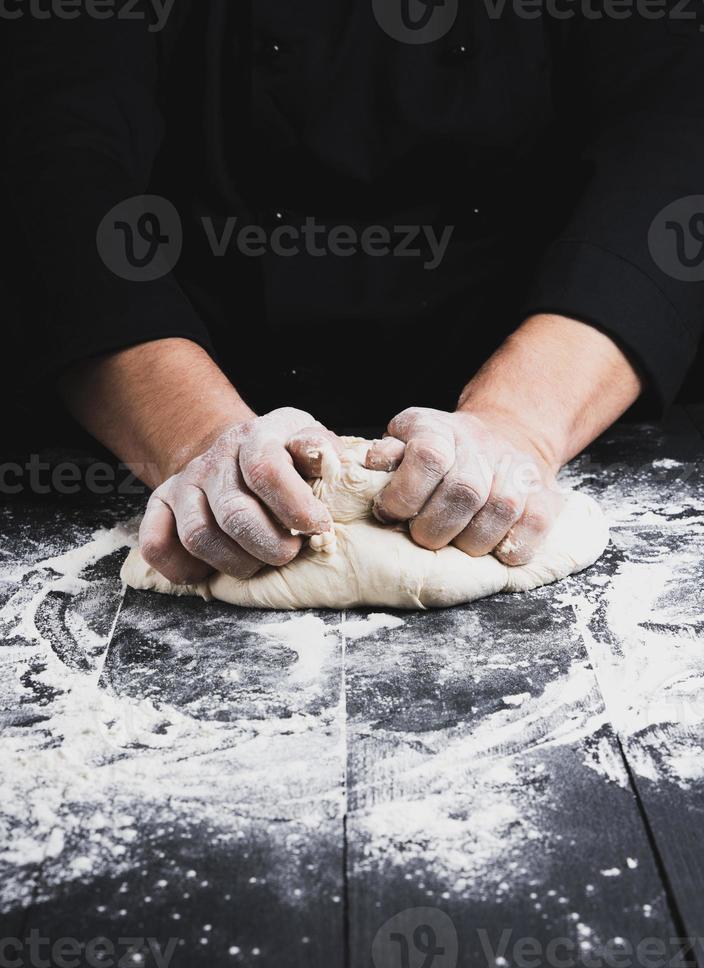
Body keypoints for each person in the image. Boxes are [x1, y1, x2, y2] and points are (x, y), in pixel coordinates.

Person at [2, 0, 702, 584]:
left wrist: (519, 425)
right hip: (173, 407)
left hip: (539, 393)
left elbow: (675, 141)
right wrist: (195, 439)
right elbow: (53, 155)